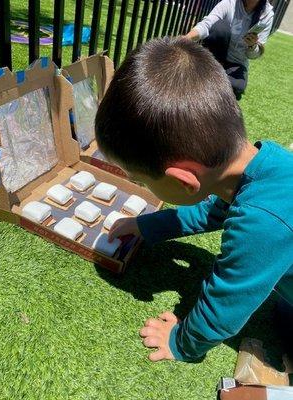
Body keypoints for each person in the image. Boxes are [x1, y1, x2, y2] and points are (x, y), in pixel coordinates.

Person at [95, 37, 293, 363]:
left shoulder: (262, 222)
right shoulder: (262, 164)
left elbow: (224, 307)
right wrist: (146, 226)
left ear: (182, 181)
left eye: (141, 180)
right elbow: (211, 211)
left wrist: (180, 343)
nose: (140, 184)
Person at [185, 0, 274, 100]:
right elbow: (207, 24)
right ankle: (209, 69)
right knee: (220, 27)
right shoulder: (229, 3)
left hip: (237, 62)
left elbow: (253, 55)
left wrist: (252, 46)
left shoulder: (267, 14)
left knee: (236, 86)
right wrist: (187, 37)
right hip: (216, 54)